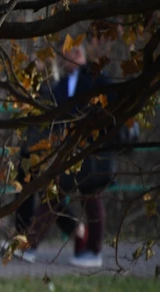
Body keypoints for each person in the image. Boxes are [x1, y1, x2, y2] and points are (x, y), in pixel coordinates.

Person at [24, 45, 116, 268]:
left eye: (67, 55)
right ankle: (29, 244)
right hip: (68, 152)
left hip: (92, 153)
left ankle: (93, 251)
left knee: (91, 199)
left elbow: (110, 105)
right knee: (53, 197)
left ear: (77, 55)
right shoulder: (64, 85)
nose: (63, 60)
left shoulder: (97, 80)